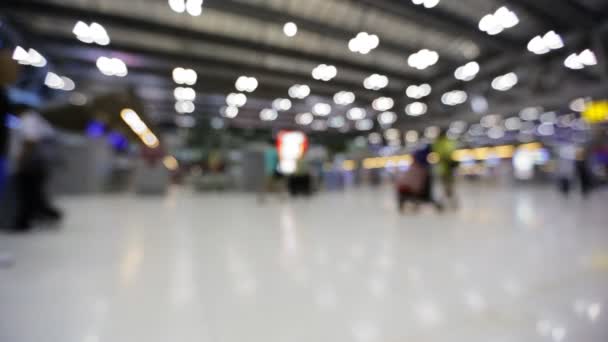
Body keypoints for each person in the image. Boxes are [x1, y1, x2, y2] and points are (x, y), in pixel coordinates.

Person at [13, 107, 62, 231]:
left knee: (29, 192)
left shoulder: (28, 119)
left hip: (32, 163)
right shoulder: (39, 120)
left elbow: (30, 140)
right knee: (35, 192)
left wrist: (22, 159)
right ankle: (45, 215)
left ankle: (26, 220)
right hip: (40, 163)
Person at [432, 130, 458, 208]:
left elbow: (443, 154)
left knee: (448, 187)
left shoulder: (439, 143)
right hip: (445, 169)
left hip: (446, 169)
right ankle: (449, 202)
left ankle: (448, 202)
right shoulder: (447, 143)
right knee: (448, 187)